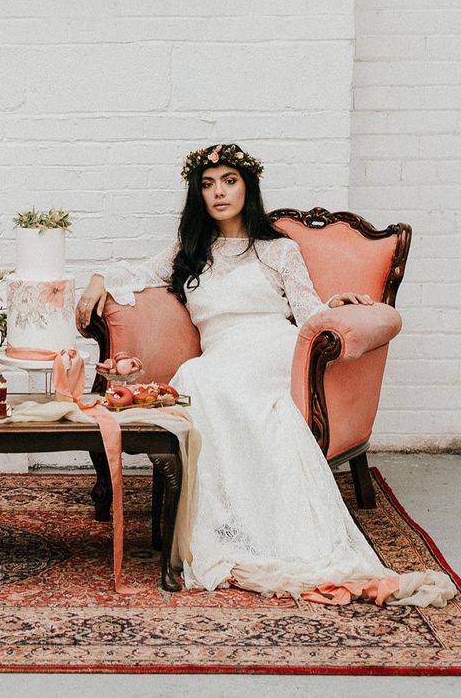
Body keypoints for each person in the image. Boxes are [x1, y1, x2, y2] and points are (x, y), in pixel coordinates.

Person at [76, 143, 454, 606]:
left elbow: (307, 310)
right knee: (195, 377)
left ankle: (268, 528)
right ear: (199, 194)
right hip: (221, 354)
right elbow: (135, 272)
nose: (218, 192)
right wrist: (97, 278)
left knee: (200, 379)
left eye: (229, 181)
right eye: (208, 184)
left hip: (272, 348)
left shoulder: (278, 249)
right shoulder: (190, 249)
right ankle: (230, 523)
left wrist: (333, 307)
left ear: (247, 187)